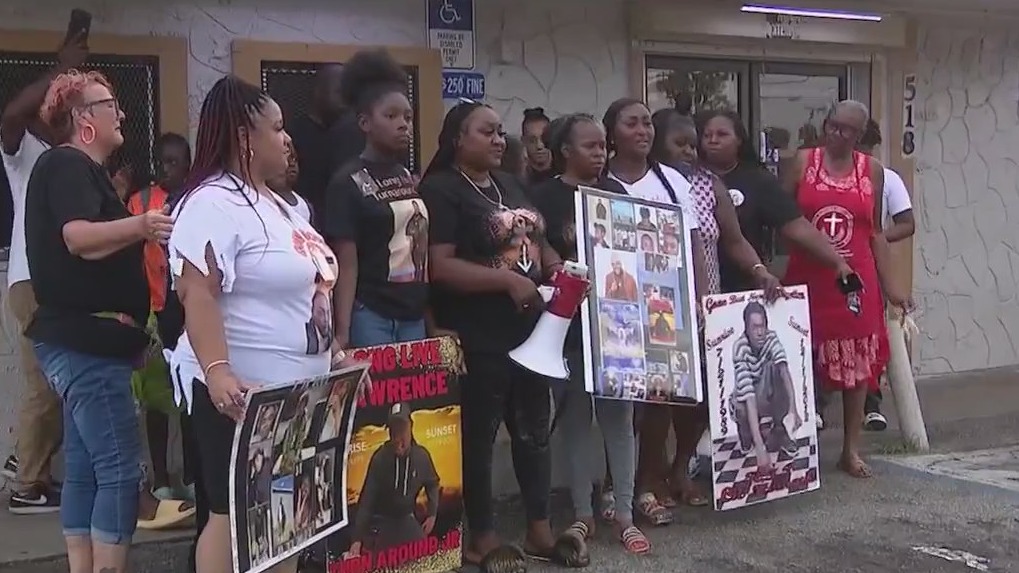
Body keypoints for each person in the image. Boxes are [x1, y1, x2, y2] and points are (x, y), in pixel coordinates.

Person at [165, 74, 339, 573]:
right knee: (235, 514)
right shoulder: (212, 202)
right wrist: (218, 370)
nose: (288, 139)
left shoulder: (285, 206)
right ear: (245, 137)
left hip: (295, 393)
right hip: (242, 397)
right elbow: (196, 291)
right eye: (278, 127)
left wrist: (330, 353)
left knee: (281, 515)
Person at [25, 68, 176, 572]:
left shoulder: (71, 169)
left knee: (88, 470)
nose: (122, 113)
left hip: (83, 341)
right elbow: (77, 238)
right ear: (84, 121)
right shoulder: (68, 164)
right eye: (110, 104)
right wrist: (143, 225)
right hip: (85, 343)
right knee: (118, 469)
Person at [419, 100, 579, 572]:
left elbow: (536, 239)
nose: (498, 139)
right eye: (485, 131)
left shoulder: (509, 183)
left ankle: (539, 528)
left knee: (533, 431)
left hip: (530, 332)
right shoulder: (441, 190)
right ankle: (482, 536)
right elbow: (438, 264)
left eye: (499, 132)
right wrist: (507, 281)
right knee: (480, 436)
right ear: (457, 139)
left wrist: (557, 270)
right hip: (477, 333)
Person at [646, 107, 784, 507]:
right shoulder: (643, 185)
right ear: (657, 143)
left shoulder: (709, 185)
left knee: (701, 400)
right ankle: (646, 478)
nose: (691, 151)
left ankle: (679, 470)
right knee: (656, 403)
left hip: (706, 310)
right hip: (658, 312)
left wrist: (760, 271)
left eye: (694, 143)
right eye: (681, 143)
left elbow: (734, 241)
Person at [529, 113, 650, 555]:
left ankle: (624, 514)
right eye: (591, 146)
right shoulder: (542, 197)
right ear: (565, 151)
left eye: (603, 146)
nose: (601, 154)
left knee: (620, 420)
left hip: (618, 328)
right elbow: (539, 247)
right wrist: (555, 264)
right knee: (575, 419)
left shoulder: (619, 194)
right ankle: (581, 512)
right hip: (569, 330)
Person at [782, 100, 907, 479]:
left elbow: (876, 233)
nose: (836, 134)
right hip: (807, 275)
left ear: (860, 135)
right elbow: (780, 217)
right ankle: (795, 449)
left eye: (846, 130)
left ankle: (850, 450)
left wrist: (892, 288)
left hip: (855, 282)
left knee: (857, 366)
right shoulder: (802, 162)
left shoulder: (873, 170)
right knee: (798, 362)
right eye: (832, 126)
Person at [600, 97, 707, 525]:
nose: (643, 131)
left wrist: (698, 295)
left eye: (647, 123)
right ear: (612, 133)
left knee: (660, 397)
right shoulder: (598, 180)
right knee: (622, 399)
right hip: (617, 304)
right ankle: (615, 485)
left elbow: (694, 240)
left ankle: (648, 484)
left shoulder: (673, 183)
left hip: (667, 304)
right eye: (632, 123)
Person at [0, 30, 87, 514]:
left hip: (61, 285)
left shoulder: (72, 156)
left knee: (59, 383)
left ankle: (29, 465)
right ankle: (26, 486)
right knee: (45, 384)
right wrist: (62, 66)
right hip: (31, 282)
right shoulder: (24, 152)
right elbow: (11, 115)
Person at [323, 49, 437, 350]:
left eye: (408, 117)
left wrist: (430, 317)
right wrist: (343, 333)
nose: (403, 124)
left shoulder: (404, 175)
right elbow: (346, 265)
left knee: (413, 397)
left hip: (413, 316)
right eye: (391, 116)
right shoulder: (347, 181)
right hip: (371, 314)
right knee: (382, 398)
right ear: (364, 123)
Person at [126, 132, 197, 504]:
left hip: (186, 311)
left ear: (188, 164)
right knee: (156, 397)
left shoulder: (197, 200)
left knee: (188, 395)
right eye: (162, 162)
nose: (167, 169)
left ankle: (188, 475)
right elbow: (127, 252)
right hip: (154, 312)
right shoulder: (140, 202)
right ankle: (161, 478)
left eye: (175, 161)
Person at [856, 118, 915, 432]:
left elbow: (907, 223)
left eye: (863, 145)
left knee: (873, 333)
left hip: (870, 263)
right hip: (828, 261)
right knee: (822, 335)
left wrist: (875, 239)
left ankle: (872, 404)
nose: (857, 152)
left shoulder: (886, 178)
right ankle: (820, 405)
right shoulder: (825, 176)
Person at [348, 402, 439, 555]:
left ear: (411, 427)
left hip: (406, 518)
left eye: (402, 430)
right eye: (393, 431)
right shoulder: (380, 458)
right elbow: (366, 502)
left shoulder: (421, 456)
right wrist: (356, 539)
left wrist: (432, 514)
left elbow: (433, 483)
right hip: (382, 521)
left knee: (426, 557)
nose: (398, 438)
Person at [288, 63, 365, 225]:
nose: (345, 100)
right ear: (318, 92)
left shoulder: (348, 132)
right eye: (339, 92)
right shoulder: (295, 133)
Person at [731, 302, 803, 472]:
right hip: (745, 399)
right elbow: (748, 396)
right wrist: (760, 449)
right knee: (741, 408)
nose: (760, 332)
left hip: (765, 395)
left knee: (776, 367)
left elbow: (785, 371)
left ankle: (780, 430)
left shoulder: (771, 338)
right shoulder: (739, 347)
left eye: (762, 326)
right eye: (755, 327)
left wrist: (793, 410)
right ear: (746, 329)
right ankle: (747, 432)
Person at [269, 139, 312, 224]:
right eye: (287, 159)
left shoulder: (304, 205)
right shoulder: (267, 202)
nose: (292, 164)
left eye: (294, 159)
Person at [521, 107, 552, 183]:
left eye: (544, 138)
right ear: (523, 141)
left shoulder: (564, 176)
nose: (539, 146)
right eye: (532, 140)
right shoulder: (517, 181)